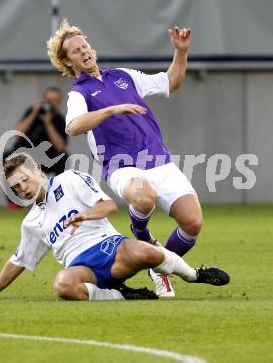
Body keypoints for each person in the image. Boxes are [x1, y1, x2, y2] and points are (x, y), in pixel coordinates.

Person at [46, 20, 202, 297]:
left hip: (160, 162)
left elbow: (171, 82)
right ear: (67, 62)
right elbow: (73, 126)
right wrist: (111, 110)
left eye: (85, 46)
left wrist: (181, 52)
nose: (84, 52)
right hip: (122, 167)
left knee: (193, 223)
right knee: (144, 198)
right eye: (75, 50)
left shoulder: (123, 76)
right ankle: (141, 232)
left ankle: (158, 264)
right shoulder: (78, 94)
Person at [0, 153, 229, 301]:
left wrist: (85, 216)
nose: (22, 188)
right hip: (83, 267)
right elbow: (18, 261)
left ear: (36, 169)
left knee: (149, 254)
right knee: (63, 286)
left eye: (23, 180)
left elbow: (109, 206)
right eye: (16, 187)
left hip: (110, 248)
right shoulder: (31, 222)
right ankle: (122, 295)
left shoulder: (70, 179)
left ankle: (194, 275)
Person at [7, 86, 68, 175]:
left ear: (59, 103)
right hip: (26, 155)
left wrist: (48, 123)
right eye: (49, 100)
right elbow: (17, 134)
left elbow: (61, 147)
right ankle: (15, 185)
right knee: (7, 156)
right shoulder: (32, 113)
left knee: (63, 158)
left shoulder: (59, 119)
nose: (51, 104)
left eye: (55, 101)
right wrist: (34, 112)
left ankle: (58, 186)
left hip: (47, 157)